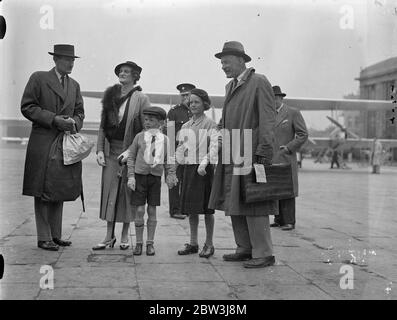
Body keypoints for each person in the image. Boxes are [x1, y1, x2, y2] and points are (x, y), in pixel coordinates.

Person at [209, 41, 278, 268]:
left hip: (251, 152)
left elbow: (268, 120)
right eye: (221, 63)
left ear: (241, 60)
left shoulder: (259, 82)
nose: (223, 66)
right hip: (232, 151)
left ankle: (264, 253)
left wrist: (263, 152)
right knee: (234, 199)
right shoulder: (231, 86)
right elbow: (226, 117)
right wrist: (219, 129)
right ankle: (245, 248)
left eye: (226, 62)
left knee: (255, 202)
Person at [21, 44, 85, 251]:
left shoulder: (74, 85)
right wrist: (54, 119)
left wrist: (73, 122)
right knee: (42, 189)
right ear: (56, 59)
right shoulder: (39, 78)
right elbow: (28, 107)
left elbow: (80, 112)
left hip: (64, 142)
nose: (71, 63)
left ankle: (55, 235)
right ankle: (43, 236)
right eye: (67, 59)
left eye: (73, 59)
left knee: (59, 187)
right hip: (44, 141)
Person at [92, 61, 150, 251]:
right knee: (109, 192)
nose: (123, 74)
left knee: (126, 193)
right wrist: (100, 150)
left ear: (135, 76)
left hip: (129, 152)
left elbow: (147, 128)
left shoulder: (141, 98)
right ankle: (109, 236)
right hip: (110, 151)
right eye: (121, 71)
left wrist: (133, 151)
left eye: (127, 71)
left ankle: (125, 234)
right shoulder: (111, 95)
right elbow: (102, 125)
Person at [127, 106, 177, 256]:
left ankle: (150, 243)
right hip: (139, 178)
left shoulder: (165, 140)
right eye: (146, 119)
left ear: (161, 122)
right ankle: (138, 243)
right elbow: (131, 157)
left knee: (152, 210)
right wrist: (131, 176)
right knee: (140, 210)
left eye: (151, 120)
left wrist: (170, 174)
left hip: (155, 179)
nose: (147, 122)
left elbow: (169, 159)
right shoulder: (139, 137)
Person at [176, 88, 219, 258]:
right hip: (188, 169)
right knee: (191, 209)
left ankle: (209, 244)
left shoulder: (211, 124)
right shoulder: (186, 126)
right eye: (191, 102)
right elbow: (181, 147)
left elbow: (215, 147)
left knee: (207, 210)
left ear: (204, 104)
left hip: (204, 170)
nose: (193, 105)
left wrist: (205, 163)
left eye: (197, 102)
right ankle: (193, 243)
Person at [270, 85, 308, 231]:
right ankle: (278, 219)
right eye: (270, 98)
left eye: (274, 98)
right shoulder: (268, 114)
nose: (272, 100)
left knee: (287, 190)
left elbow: (303, 134)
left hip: (285, 157)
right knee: (274, 189)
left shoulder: (293, 112)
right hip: (272, 158)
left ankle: (290, 221)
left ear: (280, 98)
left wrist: (289, 147)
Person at [166, 83, 195, 220]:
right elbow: (170, 134)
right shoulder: (174, 112)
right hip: (177, 151)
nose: (185, 97)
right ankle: (175, 210)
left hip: (192, 152)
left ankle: (185, 208)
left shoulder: (197, 111)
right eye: (182, 95)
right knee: (174, 180)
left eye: (187, 95)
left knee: (188, 182)